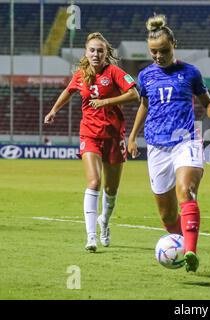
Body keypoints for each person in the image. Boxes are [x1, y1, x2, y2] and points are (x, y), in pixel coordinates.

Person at [127, 15, 210, 272]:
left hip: (186, 141)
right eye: (153, 52)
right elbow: (144, 106)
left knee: (186, 191)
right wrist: (132, 136)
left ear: (174, 45)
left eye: (163, 51)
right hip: (157, 147)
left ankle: (191, 252)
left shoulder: (190, 73)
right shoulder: (145, 76)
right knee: (167, 216)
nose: (158, 56)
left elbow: (207, 104)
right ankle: (180, 246)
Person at [44, 32, 139, 252]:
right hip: (89, 134)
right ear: (86, 53)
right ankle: (91, 236)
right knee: (94, 182)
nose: (96, 54)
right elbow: (68, 91)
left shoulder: (114, 72)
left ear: (107, 53)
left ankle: (104, 221)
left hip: (114, 136)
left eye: (100, 50)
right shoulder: (80, 74)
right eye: (92, 50)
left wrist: (106, 101)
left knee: (111, 189)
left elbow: (134, 95)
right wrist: (53, 110)